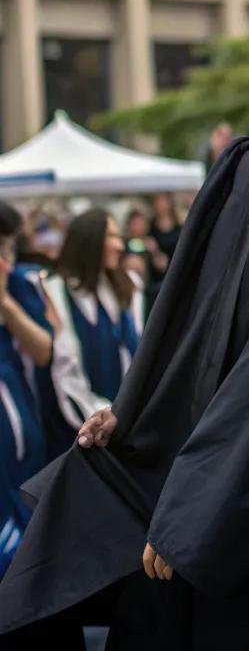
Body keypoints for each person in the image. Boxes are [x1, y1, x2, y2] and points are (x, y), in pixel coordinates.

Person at [0, 0, 249, 650]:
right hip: (184, 501)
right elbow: (179, 317)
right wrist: (130, 411)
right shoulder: (240, 168)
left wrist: (199, 512)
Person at [43, 211, 140, 449]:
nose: (120, 245)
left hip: (127, 422)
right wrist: (100, 416)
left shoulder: (126, 286)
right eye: (111, 236)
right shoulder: (56, 291)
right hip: (82, 430)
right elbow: (65, 370)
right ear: (90, 241)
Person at [0, 205, 51, 581]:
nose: (5, 259)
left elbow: (43, 349)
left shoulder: (18, 284)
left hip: (22, 442)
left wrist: (3, 301)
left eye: (8, 248)